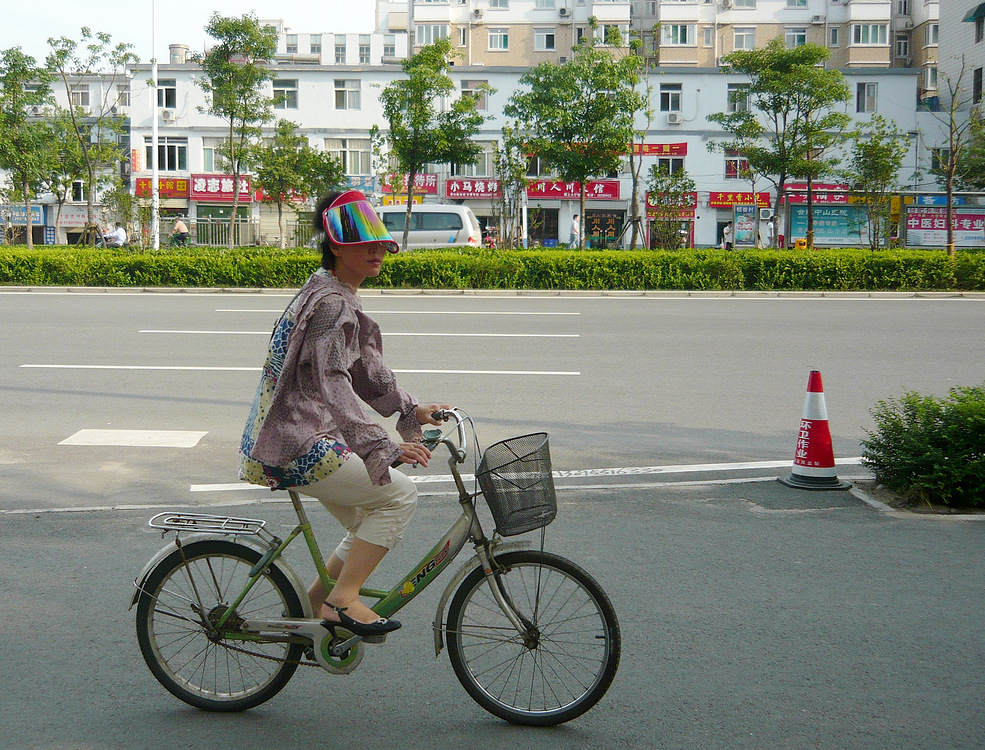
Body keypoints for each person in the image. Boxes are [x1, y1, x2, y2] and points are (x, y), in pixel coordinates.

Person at [238, 189, 449, 638]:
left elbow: (362, 370)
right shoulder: (333, 304)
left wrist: (411, 408)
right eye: (365, 244)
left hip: (295, 433)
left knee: (367, 521)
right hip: (300, 440)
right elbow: (335, 382)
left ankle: (313, 607)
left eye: (380, 244)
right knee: (399, 497)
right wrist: (382, 444)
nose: (377, 252)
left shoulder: (330, 291)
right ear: (336, 246)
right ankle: (341, 600)